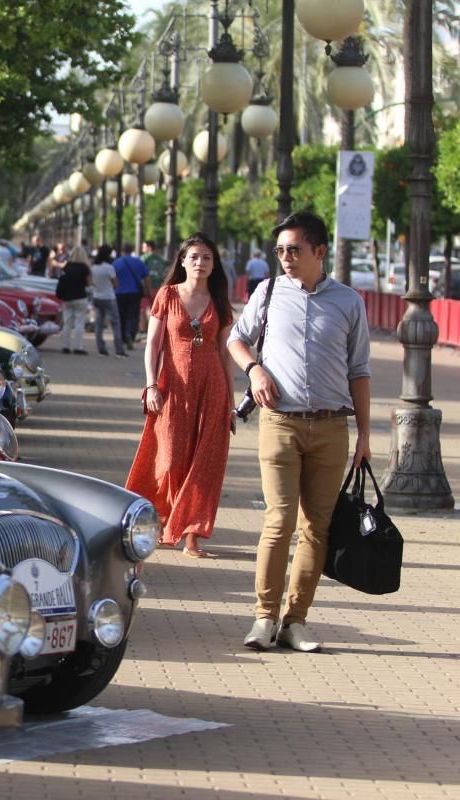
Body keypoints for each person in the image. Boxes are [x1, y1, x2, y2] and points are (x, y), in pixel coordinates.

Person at [227, 211, 371, 653]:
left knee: (316, 528)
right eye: (280, 251)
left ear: (319, 252)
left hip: (331, 428)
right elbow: (236, 338)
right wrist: (254, 371)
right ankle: (264, 618)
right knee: (279, 520)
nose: (285, 258)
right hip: (280, 424)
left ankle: (296, 620)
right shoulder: (267, 293)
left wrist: (365, 436)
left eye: (294, 250)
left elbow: (360, 371)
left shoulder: (349, 302)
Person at [126, 232, 234, 557]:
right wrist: (150, 385)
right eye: (195, 257)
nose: (200, 263)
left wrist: (230, 399)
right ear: (183, 261)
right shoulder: (168, 295)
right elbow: (153, 344)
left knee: (202, 463)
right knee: (170, 459)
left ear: (214, 265)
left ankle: (191, 533)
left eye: (207, 258)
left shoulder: (219, 300)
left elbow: (226, 353)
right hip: (172, 387)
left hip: (211, 388)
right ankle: (164, 518)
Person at [89, 245, 126, 358]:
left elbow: (91, 282)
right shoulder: (109, 267)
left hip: (97, 296)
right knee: (115, 324)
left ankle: (101, 349)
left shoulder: (93, 267)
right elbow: (116, 284)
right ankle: (119, 350)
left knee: (99, 324)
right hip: (109, 297)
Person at [113, 244, 152, 349]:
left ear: (122, 250)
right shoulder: (138, 262)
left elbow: (112, 278)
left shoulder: (116, 263)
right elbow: (147, 277)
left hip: (119, 293)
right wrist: (149, 292)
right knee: (133, 315)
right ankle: (130, 334)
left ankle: (122, 337)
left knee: (121, 316)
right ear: (132, 250)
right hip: (134, 293)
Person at [55, 254, 92, 355]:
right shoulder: (84, 268)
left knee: (67, 322)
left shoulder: (67, 267)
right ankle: (78, 347)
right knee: (79, 323)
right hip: (80, 297)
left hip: (67, 298)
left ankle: (65, 346)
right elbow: (89, 283)